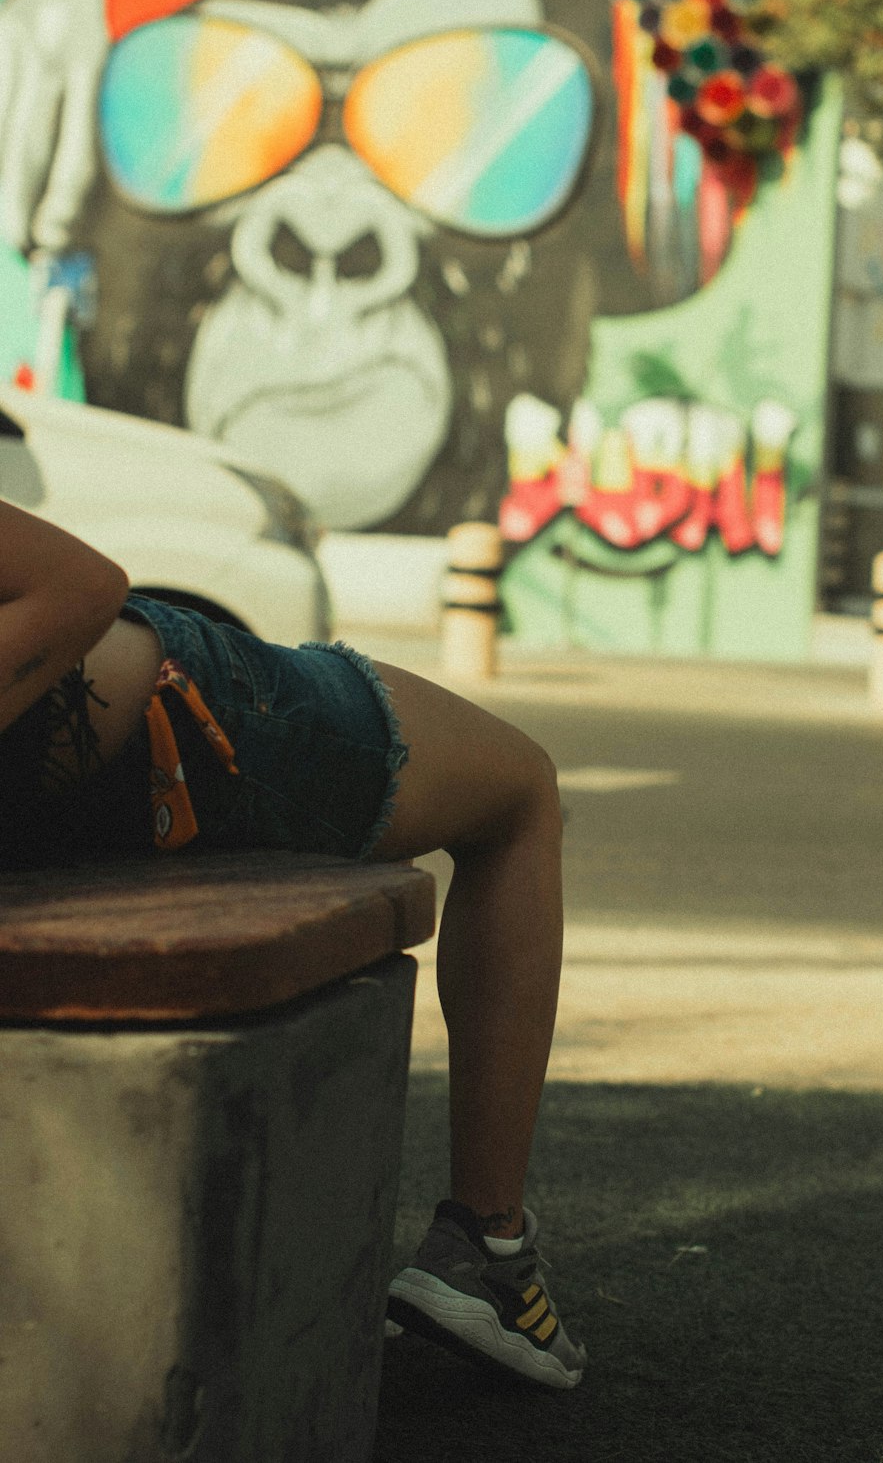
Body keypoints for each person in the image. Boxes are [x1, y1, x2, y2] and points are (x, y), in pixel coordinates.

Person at [0, 498, 587, 1390]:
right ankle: (488, 1249)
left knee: (513, 782)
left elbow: (81, 591)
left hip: (164, 736)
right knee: (522, 794)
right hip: (207, 735)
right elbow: (84, 585)